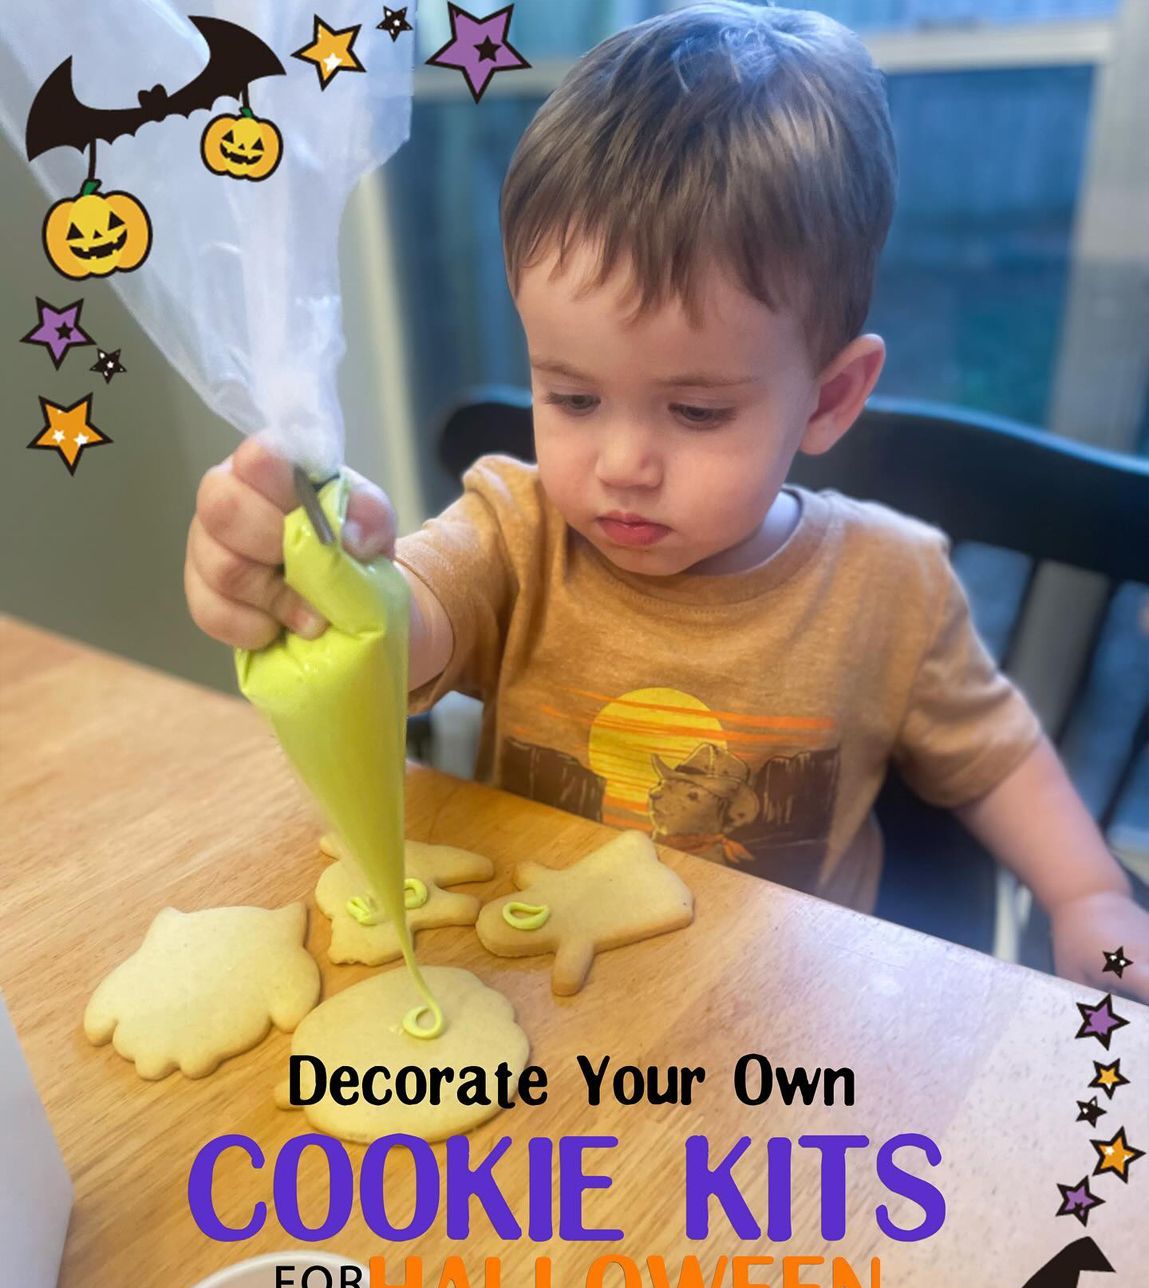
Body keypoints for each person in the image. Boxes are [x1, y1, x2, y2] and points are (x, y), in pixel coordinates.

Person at [184, 2, 1148, 998]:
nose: (622, 464)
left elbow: (994, 756)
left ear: (827, 398)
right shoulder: (517, 531)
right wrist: (328, 578)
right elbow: (407, 625)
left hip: (787, 1014)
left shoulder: (892, 583)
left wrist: (1087, 896)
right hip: (549, 993)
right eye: (572, 396)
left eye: (693, 410)